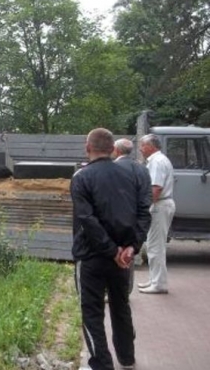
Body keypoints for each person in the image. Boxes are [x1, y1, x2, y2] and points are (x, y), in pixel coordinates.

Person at [71, 128, 151, 370]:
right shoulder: (132, 173)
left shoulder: (81, 177)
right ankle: (127, 358)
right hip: (123, 258)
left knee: (92, 311)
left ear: (88, 148)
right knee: (121, 306)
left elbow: (87, 220)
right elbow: (143, 213)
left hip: (92, 256)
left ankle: (101, 364)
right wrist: (131, 248)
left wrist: (111, 250)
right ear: (112, 149)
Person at [138, 134, 175, 294]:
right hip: (161, 204)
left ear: (151, 146)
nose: (140, 149)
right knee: (153, 245)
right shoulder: (158, 160)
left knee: (155, 247)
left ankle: (159, 284)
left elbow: (156, 188)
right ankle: (155, 280)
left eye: (142, 145)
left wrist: (145, 208)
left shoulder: (156, 162)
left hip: (158, 205)